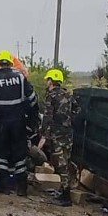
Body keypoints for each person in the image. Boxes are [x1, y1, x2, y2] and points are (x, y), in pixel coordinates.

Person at [0, 50, 38, 196]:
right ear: (11, 62)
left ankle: (5, 186)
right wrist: (33, 120)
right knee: (19, 154)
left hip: (1, 122)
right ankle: (21, 188)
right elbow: (32, 99)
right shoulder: (20, 77)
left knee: (2, 154)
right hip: (19, 122)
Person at [40, 68, 77, 207]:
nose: (46, 82)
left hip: (57, 134)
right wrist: (68, 121)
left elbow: (47, 117)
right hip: (68, 133)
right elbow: (76, 110)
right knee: (66, 161)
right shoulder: (68, 95)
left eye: (47, 79)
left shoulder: (51, 96)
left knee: (61, 164)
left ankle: (66, 196)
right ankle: (63, 191)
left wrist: (44, 134)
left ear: (51, 81)